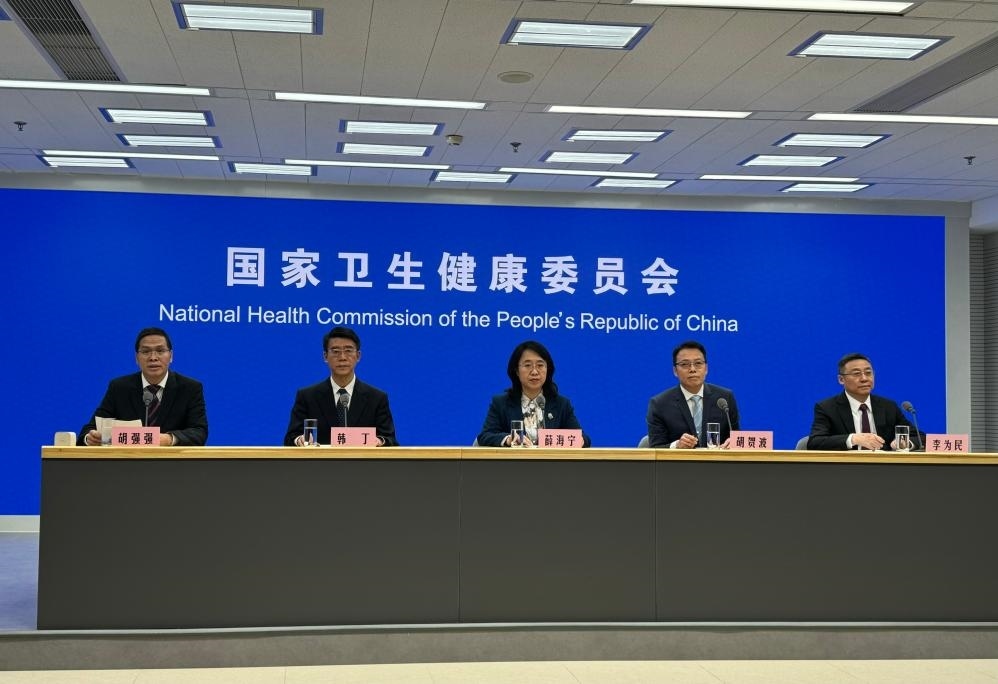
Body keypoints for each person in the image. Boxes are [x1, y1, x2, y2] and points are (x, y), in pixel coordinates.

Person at [79, 327, 208, 446]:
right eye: (146, 351)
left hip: (171, 461)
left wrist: (168, 439)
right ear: (137, 357)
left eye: (160, 351)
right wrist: (91, 438)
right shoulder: (119, 388)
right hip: (128, 461)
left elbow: (199, 432)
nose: (153, 358)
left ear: (171, 356)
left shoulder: (190, 388)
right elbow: (90, 429)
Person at [284, 326, 398, 446]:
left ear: (358, 356)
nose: (342, 358)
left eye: (348, 351)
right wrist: (299, 440)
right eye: (336, 351)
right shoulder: (307, 397)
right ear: (325, 356)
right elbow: (290, 438)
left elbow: (390, 439)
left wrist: (379, 441)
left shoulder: (376, 398)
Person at [477, 340, 591, 448]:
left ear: (548, 369)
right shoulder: (501, 403)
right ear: (516, 371)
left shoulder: (561, 404)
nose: (535, 372)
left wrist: (578, 440)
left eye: (540, 365)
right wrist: (508, 439)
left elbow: (584, 439)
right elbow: (484, 436)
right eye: (527, 365)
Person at [808, 352, 920, 451]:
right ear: (841, 380)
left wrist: (905, 443)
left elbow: (919, 437)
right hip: (847, 466)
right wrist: (853, 439)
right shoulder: (827, 408)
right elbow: (815, 442)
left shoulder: (888, 406)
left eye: (868, 373)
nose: (864, 379)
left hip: (883, 465)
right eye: (856, 374)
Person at [646, 340, 739, 448]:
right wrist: (676, 446)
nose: (692, 369)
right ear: (675, 371)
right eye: (685, 364)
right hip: (679, 459)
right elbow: (655, 448)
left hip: (718, 458)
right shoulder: (660, 404)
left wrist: (733, 442)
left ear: (706, 368)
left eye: (698, 363)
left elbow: (736, 437)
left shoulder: (724, 398)